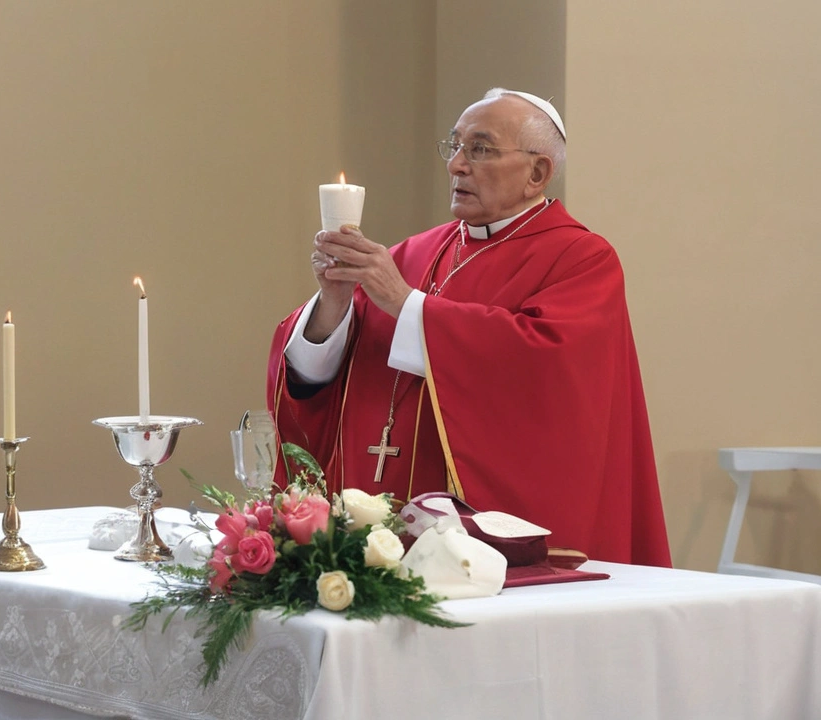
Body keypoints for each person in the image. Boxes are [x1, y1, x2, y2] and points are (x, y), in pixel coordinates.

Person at [266, 88, 670, 566]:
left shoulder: (580, 258)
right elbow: (315, 378)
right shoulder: (410, 253)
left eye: (480, 149)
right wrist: (334, 301)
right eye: (455, 146)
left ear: (537, 173)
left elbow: (547, 367)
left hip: (487, 543)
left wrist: (404, 303)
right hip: (373, 528)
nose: (457, 164)